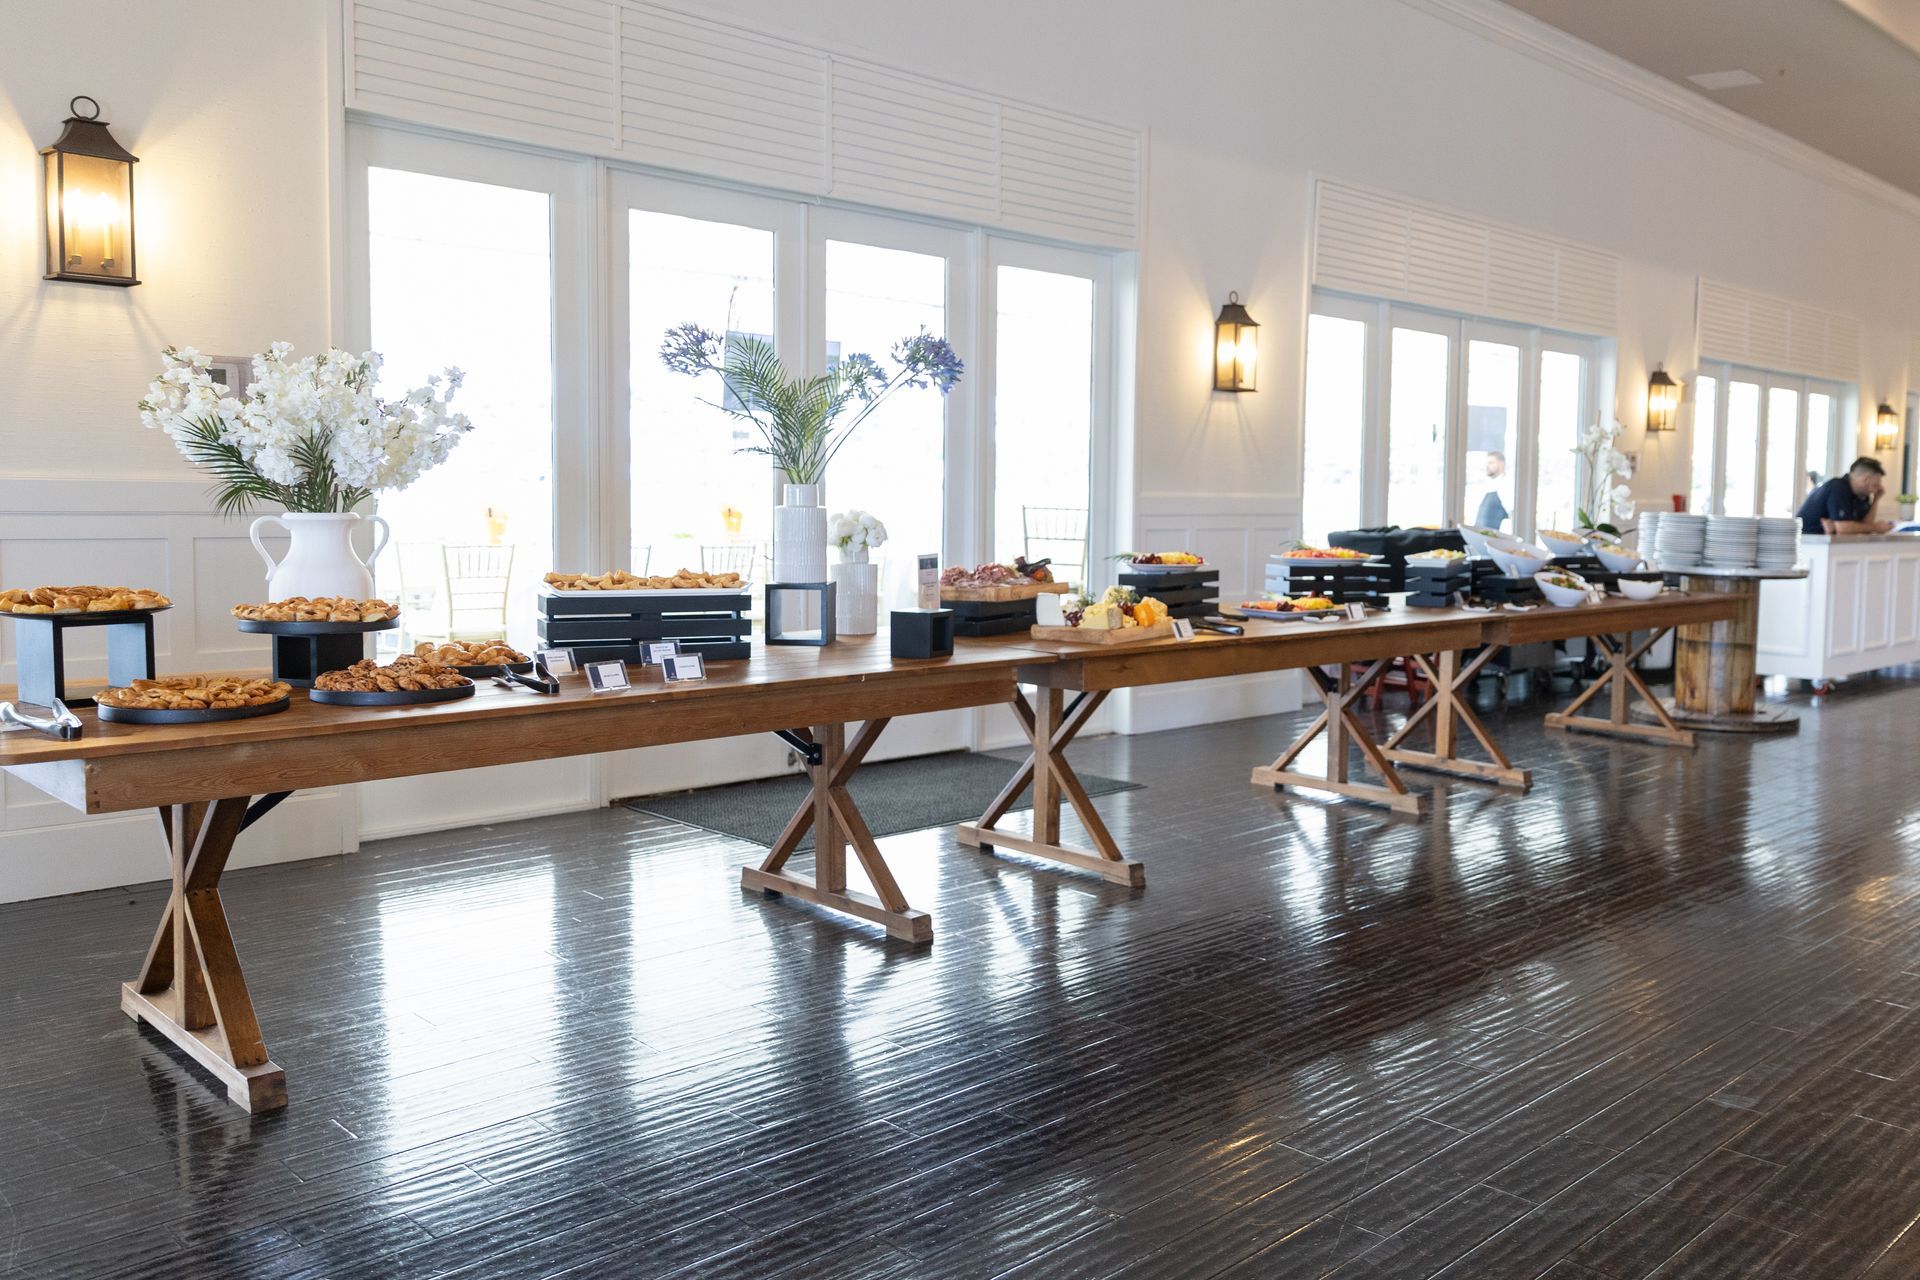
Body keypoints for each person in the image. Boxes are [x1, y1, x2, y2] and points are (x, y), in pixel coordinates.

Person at [1796, 456, 1892, 535]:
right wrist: (1876, 527)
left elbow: (1865, 526)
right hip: (1806, 542)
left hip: (1827, 544)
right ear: (1865, 479)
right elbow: (1842, 528)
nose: (1877, 489)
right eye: (1875, 485)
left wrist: (1876, 500)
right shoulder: (1838, 487)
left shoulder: (1862, 495)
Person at [1473, 451, 1509, 531]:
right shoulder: (1485, 485)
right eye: (1487, 463)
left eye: (1491, 463)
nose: (1487, 466)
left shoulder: (1506, 486)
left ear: (1501, 464)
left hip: (1493, 536)